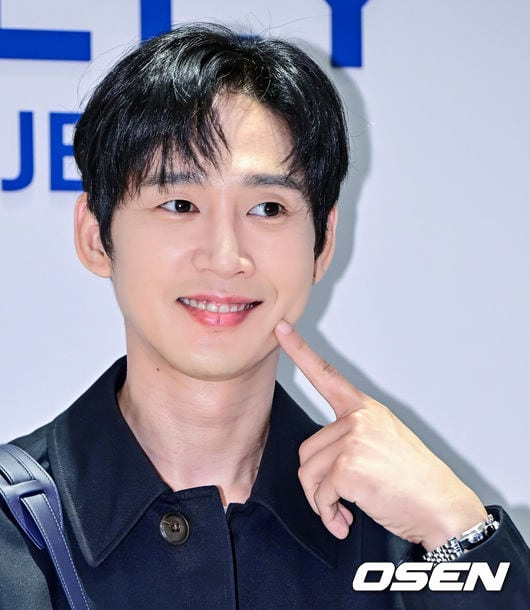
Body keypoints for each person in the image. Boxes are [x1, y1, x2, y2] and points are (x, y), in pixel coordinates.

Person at [0, 22, 528, 609]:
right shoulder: (11, 533)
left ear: (322, 243)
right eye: (179, 203)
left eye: (268, 208)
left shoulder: (408, 540)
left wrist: (460, 530)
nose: (226, 256)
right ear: (95, 236)